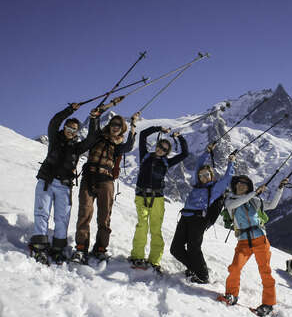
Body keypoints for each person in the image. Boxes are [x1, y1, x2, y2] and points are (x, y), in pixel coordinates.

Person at [29, 103, 98, 264]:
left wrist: (94, 119)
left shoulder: (77, 147)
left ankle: (58, 248)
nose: (70, 131)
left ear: (77, 132)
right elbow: (54, 121)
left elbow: (92, 139)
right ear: (65, 127)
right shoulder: (54, 138)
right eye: (68, 127)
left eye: (74, 129)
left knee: (62, 218)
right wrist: (70, 110)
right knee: (42, 214)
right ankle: (39, 246)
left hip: (64, 186)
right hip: (46, 182)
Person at [71, 111, 139, 264]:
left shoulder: (119, 146)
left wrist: (134, 124)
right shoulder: (97, 138)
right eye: (113, 124)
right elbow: (92, 130)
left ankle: (101, 248)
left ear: (122, 129)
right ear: (109, 125)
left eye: (118, 125)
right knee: (84, 213)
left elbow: (129, 146)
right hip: (89, 177)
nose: (115, 127)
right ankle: (81, 247)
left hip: (106, 181)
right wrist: (94, 117)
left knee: (104, 216)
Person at [218, 175, 289, 317]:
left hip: (260, 240)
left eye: (244, 184)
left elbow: (272, 205)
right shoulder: (230, 200)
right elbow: (234, 205)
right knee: (235, 268)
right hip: (243, 242)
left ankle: (268, 304)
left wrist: (280, 189)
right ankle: (231, 295)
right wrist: (254, 193)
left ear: (248, 187)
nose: (241, 185)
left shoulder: (254, 200)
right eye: (238, 183)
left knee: (265, 272)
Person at [170, 143, 235, 284]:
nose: (203, 177)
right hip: (185, 217)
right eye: (201, 175)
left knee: (194, 248)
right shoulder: (196, 184)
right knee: (175, 248)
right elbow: (199, 164)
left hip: (198, 220)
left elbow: (227, 177)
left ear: (211, 176)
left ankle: (203, 275)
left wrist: (231, 162)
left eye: (206, 175)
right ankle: (195, 268)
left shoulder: (215, 188)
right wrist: (207, 151)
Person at [128, 125, 189, 272]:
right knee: (142, 225)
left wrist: (179, 137)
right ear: (157, 146)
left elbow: (185, 153)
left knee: (156, 229)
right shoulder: (145, 155)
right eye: (160, 146)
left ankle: (154, 260)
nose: (160, 149)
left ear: (167, 152)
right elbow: (143, 134)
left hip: (157, 198)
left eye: (164, 149)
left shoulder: (167, 162)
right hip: (141, 196)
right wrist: (159, 129)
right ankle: (137, 256)